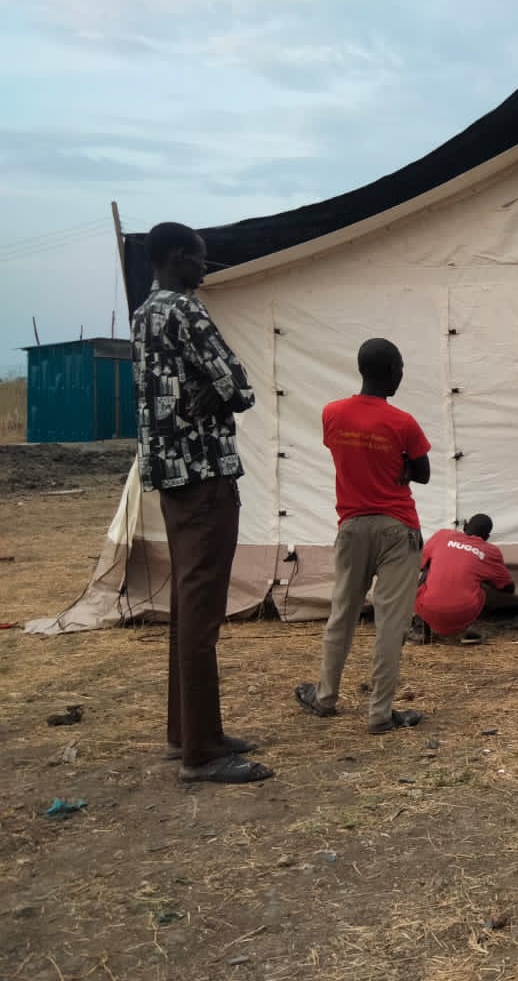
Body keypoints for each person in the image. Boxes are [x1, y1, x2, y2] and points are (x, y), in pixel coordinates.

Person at [132, 222, 273, 784]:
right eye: (199, 259)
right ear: (175, 257)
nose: (204, 268)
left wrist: (206, 389)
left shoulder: (144, 315)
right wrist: (216, 390)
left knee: (188, 600)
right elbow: (240, 386)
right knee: (202, 603)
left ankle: (189, 732)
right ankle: (202, 754)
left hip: (169, 474)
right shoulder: (186, 311)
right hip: (205, 470)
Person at [295, 339, 431, 735]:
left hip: (351, 526)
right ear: (391, 372)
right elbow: (422, 473)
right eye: (401, 369)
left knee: (342, 613)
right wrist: (402, 462)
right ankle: (380, 713)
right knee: (391, 622)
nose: (402, 376)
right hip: (396, 527)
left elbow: (345, 454)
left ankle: (325, 697)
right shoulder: (402, 422)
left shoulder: (332, 414)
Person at [414, 514, 513, 642]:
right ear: (487, 537)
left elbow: (420, 565)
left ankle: (423, 629)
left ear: (465, 527)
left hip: (427, 608)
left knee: (429, 568)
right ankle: (466, 629)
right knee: (481, 585)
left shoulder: (442, 535)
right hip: (462, 613)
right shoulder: (491, 552)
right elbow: (509, 588)